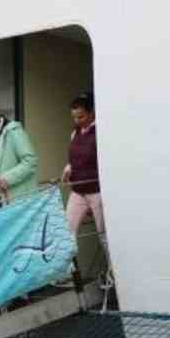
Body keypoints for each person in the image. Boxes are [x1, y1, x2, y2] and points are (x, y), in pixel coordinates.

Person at [62, 93, 104, 242]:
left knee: (103, 235)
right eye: (74, 117)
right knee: (66, 232)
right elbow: (74, 158)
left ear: (91, 113)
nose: (77, 121)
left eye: (81, 117)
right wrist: (69, 168)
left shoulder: (101, 132)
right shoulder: (75, 132)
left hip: (97, 191)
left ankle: (111, 265)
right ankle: (68, 265)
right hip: (78, 191)